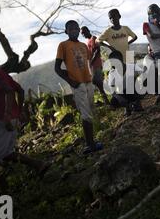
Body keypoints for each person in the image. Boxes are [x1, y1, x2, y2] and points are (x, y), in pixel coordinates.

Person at [0, 47, 50, 192]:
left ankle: (6, 195)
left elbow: (10, 92)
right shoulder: (2, 73)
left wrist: (7, 115)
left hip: (1, 121)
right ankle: (39, 164)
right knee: (7, 153)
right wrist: (19, 110)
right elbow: (20, 90)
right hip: (10, 119)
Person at [55, 20, 103, 155]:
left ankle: (92, 141)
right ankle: (90, 145)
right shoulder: (63, 45)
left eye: (76, 28)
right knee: (86, 114)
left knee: (90, 110)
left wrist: (92, 76)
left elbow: (89, 61)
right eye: (71, 29)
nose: (75, 31)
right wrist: (70, 80)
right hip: (78, 84)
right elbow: (57, 68)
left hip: (88, 82)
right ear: (66, 31)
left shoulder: (83, 45)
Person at [107, 50, 143, 116]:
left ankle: (136, 103)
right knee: (113, 101)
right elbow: (112, 90)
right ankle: (128, 106)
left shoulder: (132, 67)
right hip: (122, 94)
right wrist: (118, 97)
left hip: (134, 90)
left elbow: (144, 75)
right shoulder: (112, 73)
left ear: (120, 59)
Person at [81, 26, 109, 105]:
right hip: (92, 65)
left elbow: (97, 50)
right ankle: (106, 100)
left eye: (84, 32)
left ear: (88, 30)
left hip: (96, 64)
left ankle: (107, 100)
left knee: (97, 82)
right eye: (82, 34)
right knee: (96, 82)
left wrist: (92, 61)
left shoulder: (93, 38)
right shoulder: (88, 42)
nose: (83, 35)